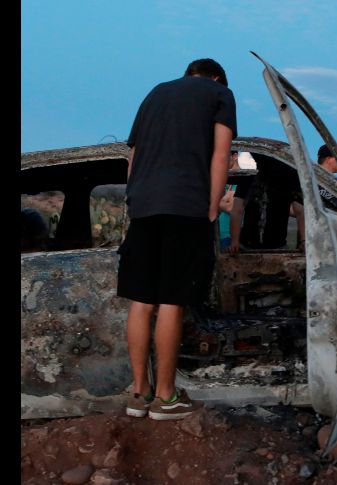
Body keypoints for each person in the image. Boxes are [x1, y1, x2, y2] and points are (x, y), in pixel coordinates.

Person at [118, 58, 237, 420]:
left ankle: (139, 394)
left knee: (141, 301)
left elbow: (133, 157)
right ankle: (166, 398)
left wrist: (134, 200)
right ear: (216, 77)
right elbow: (220, 156)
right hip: (185, 205)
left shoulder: (156, 93)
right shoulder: (220, 93)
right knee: (172, 300)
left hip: (144, 206)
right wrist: (214, 207)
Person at [217, 151, 240, 251]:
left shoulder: (243, 180)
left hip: (230, 238)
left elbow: (232, 208)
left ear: (234, 156)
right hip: (217, 236)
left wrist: (214, 201)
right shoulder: (222, 179)